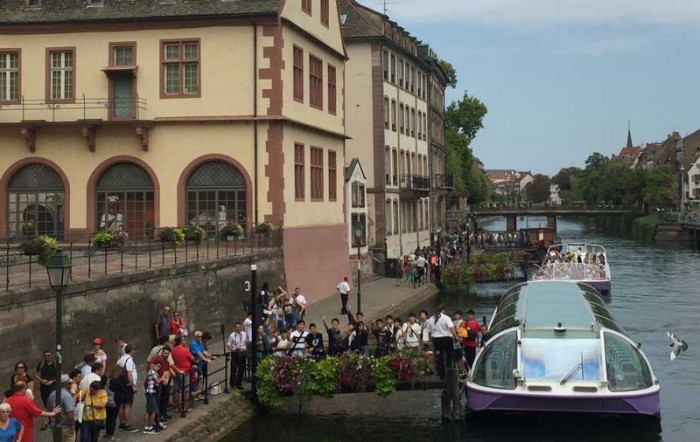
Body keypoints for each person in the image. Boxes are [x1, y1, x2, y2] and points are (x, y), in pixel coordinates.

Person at [430, 305, 459, 380]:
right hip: (446, 339)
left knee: (439, 357)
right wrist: (456, 337)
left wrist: (431, 340)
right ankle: (449, 373)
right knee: (449, 356)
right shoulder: (446, 318)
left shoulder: (431, 319)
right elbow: (451, 328)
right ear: (443, 310)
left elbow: (430, 331)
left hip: (436, 339)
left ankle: (441, 375)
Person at [116, 344, 138, 433]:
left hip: (121, 384)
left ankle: (121, 423)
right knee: (128, 405)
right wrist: (133, 386)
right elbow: (129, 374)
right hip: (127, 385)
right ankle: (127, 424)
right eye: (134, 350)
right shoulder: (129, 360)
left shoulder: (122, 358)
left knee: (122, 404)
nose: (135, 351)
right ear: (131, 351)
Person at [47, 375, 75, 441]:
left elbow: (49, 410)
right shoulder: (67, 396)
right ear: (67, 384)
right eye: (70, 383)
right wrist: (73, 425)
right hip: (65, 427)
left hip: (54, 427)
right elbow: (69, 413)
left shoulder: (51, 394)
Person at [189, 331, 216, 400]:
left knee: (200, 379)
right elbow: (198, 353)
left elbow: (203, 351)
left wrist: (211, 356)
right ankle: (193, 395)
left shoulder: (200, 343)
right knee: (194, 380)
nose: (200, 338)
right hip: (195, 364)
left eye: (201, 337)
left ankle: (198, 394)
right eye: (198, 337)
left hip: (200, 364)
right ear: (195, 337)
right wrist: (206, 359)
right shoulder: (193, 343)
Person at [33, 351, 56, 431]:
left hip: (53, 386)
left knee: (52, 401)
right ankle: (49, 417)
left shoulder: (55, 364)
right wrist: (41, 380)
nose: (47, 357)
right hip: (43, 386)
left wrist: (52, 381)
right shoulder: (41, 364)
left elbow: (60, 374)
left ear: (51, 356)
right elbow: (35, 374)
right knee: (45, 402)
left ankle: (49, 419)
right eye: (45, 356)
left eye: (48, 355)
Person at [143, 358, 162, 435]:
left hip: (151, 392)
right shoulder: (152, 372)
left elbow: (156, 383)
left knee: (149, 411)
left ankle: (147, 427)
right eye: (157, 366)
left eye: (159, 367)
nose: (158, 368)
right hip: (150, 393)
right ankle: (150, 427)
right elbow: (158, 381)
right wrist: (164, 375)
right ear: (153, 365)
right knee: (153, 411)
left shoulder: (153, 373)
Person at [104, 365, 122, 442]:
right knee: (113, 419)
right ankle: (111, 435)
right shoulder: (116, 381)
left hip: (107, 401)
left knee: (108, 418)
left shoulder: (107, 380)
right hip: (114, 401)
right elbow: (121, 389)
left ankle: (107, 433)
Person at [227, 323, 247, 390]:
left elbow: (246, 342)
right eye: (237, 327)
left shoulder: (244, 334)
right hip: (235, 352)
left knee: (241, 369)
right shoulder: (232, 335)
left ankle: (239, 384)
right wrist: (232, 349)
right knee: (234, 368)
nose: (238, 328)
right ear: (235, 328)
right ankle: (233, 384)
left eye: (239, 327)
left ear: (241, 327)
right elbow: (229, 344)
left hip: (243, 352)